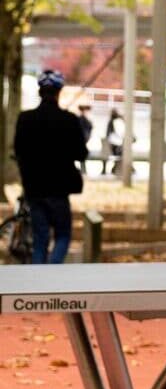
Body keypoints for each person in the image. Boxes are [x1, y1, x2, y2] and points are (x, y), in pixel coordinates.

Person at [13, 69, 87, 266]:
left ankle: (39, 280)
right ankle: (53, 271)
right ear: (59, 92)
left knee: (40, 238)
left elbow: (18, 150)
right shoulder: (69, 120)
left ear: (40, 92)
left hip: (34, 187)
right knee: (63, 235)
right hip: (59, 188)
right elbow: (81, 153)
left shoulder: (25, 119)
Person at [100, 110, 123, 175]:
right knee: (118, 156)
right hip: (115, 143)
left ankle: (111, 169)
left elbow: (108, 134)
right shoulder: (117, 121)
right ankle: (114, 169)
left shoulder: (113, 121)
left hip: (113, 143)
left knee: (116, 156)